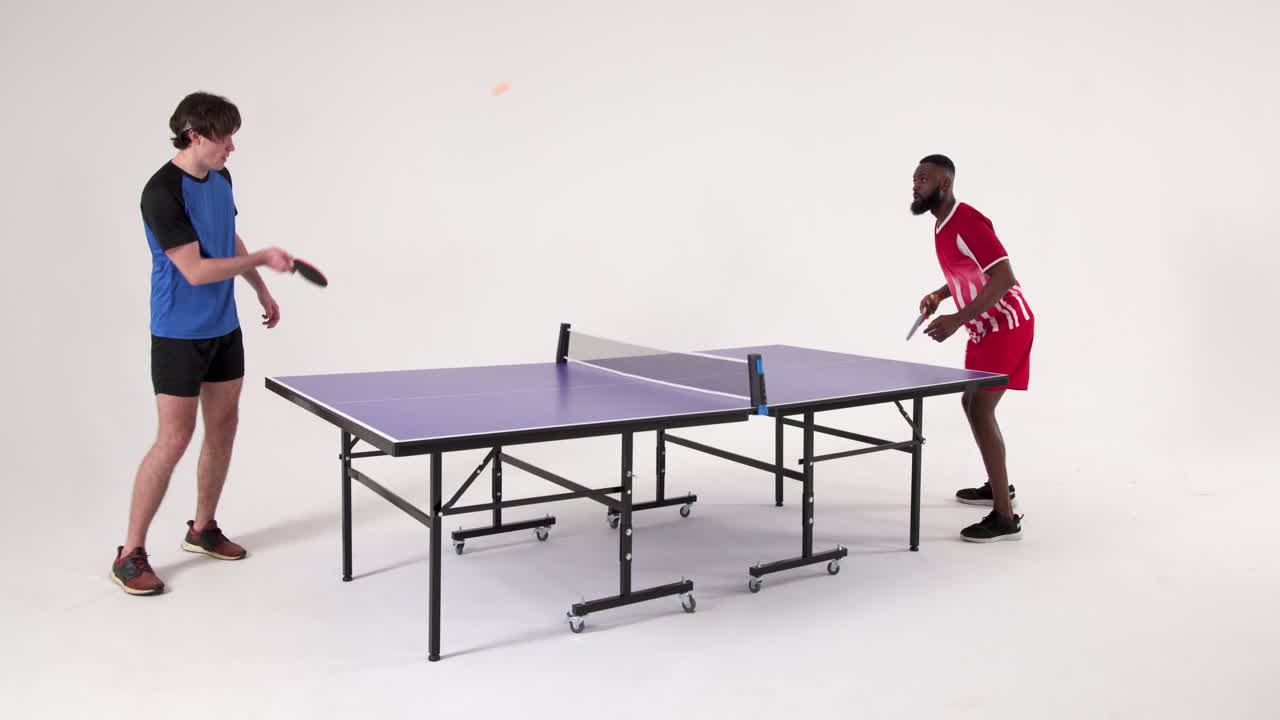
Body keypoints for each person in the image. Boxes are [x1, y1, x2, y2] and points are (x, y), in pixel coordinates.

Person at [111, 92, 295, 595]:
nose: (232, 147)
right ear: (195, 135)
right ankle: (130, 553)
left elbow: (226, 236)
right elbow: (193, 270)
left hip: (224, 327)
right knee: (173, 439)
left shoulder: (220, 179)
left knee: (224, 427)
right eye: (224, 136)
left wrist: (259, 284)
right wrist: (261, 258)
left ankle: (203, 528)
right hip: (177, 333)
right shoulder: (161, 192)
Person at [911, 154, 1034, 542]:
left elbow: (1003, 277)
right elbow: (970, 271)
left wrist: (957, 319)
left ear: (944, 184)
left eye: (923, 179)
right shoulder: (941, 226)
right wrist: (940, 294)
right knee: (971, 404)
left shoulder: (968, 221)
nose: (915, 185)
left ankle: (1004, 517)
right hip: (984, 328)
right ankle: (997, 487)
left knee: (981, 408)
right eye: (914, 179)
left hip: (1006, 325)